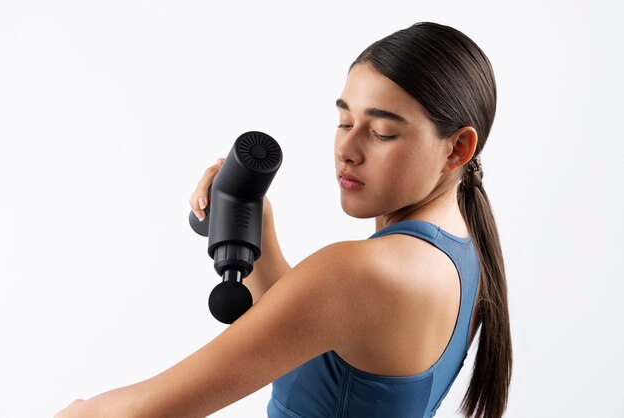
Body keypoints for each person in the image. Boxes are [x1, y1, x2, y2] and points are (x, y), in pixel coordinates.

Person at [56, 21, 512, 418]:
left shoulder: (364, 273)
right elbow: (319, 337)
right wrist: (250, 215)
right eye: (343, 120)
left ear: (457, 148)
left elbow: (148, 411)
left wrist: (79, 412)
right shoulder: (461, 248)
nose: (346, 150)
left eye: (381, 132)